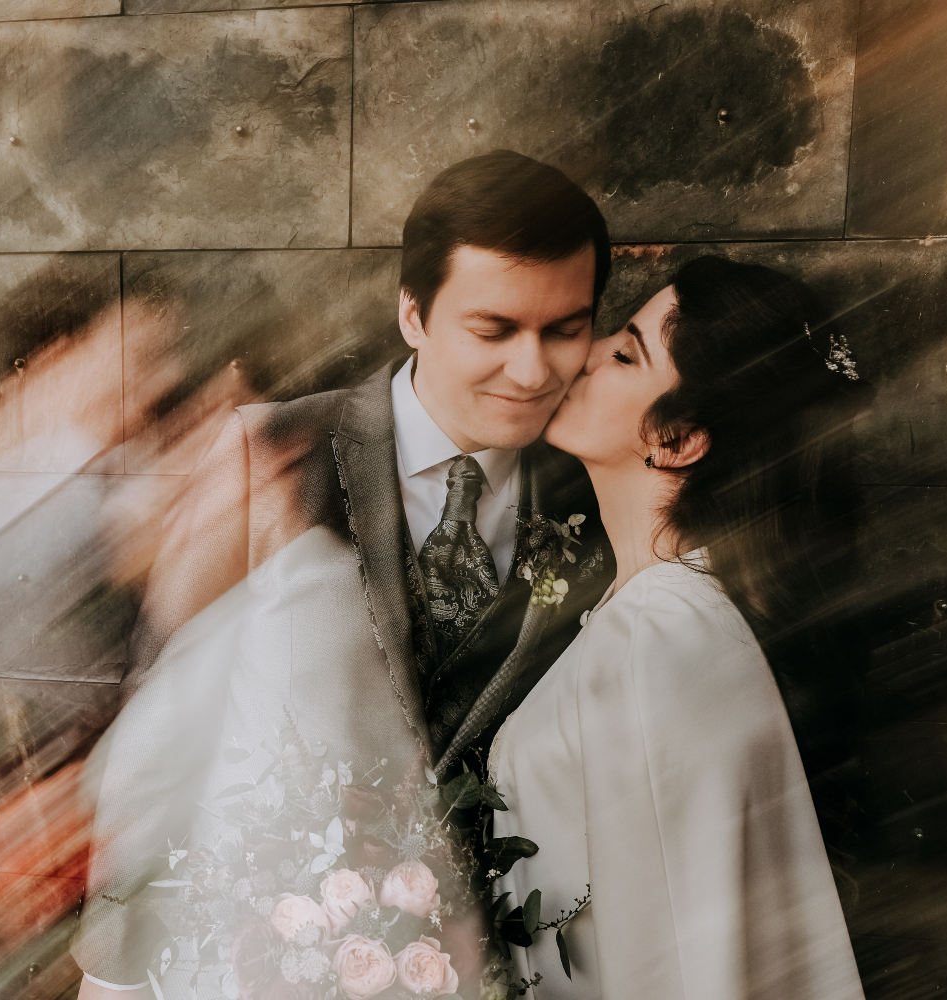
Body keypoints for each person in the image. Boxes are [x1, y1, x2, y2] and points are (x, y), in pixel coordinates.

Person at [74, 150, 617, 997]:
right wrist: (113, 975)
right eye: (494, 330)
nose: (532, 369)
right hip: (268, 961)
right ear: (413, 313)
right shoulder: (269, 452)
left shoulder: (598, 494)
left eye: (565, 330)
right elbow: (161, 736)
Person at [488, 255, 868, 999]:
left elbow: (679, 954)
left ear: (678, 439)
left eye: (625, 355)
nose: (586, 351)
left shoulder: (659, 637)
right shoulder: (659, 615)